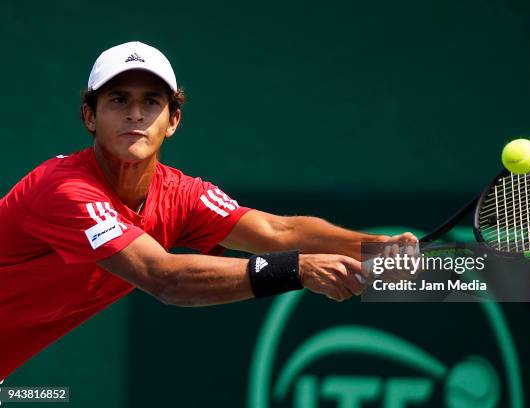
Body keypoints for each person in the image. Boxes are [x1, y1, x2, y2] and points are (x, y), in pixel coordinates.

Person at [0, 41, 416, 380]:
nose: (135, 113)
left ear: (174, 119)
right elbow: (165, 279)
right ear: (90, 116)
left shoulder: (181, 194)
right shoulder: (63, 188)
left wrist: (374, 245)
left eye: (151, 102)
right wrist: (299, 270)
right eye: (117, 99)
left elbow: (277, 231)